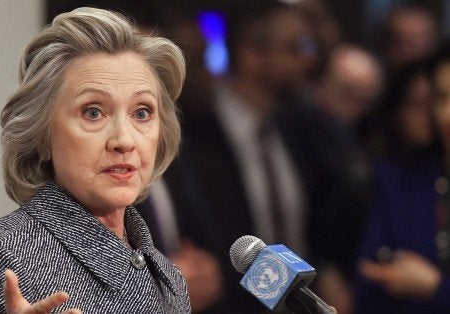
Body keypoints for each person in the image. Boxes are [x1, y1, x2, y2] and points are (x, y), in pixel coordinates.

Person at [0, 7, 190, 313]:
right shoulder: (2, 262)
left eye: (142, 113)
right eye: (93, 112)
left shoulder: (166, 277)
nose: (124, 140)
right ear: (42, 135)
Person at [163, 1, 361, 312]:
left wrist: (325, 273)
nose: (307, 59)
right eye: (296, 47)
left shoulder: (300, 128)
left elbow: (318, 222)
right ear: (251, 55)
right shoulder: (191, 138)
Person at [354, 42, 450, 313]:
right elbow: (369, 277)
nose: (446, 115)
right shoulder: (399, 179)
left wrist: (435, 287)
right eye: (441, 98)